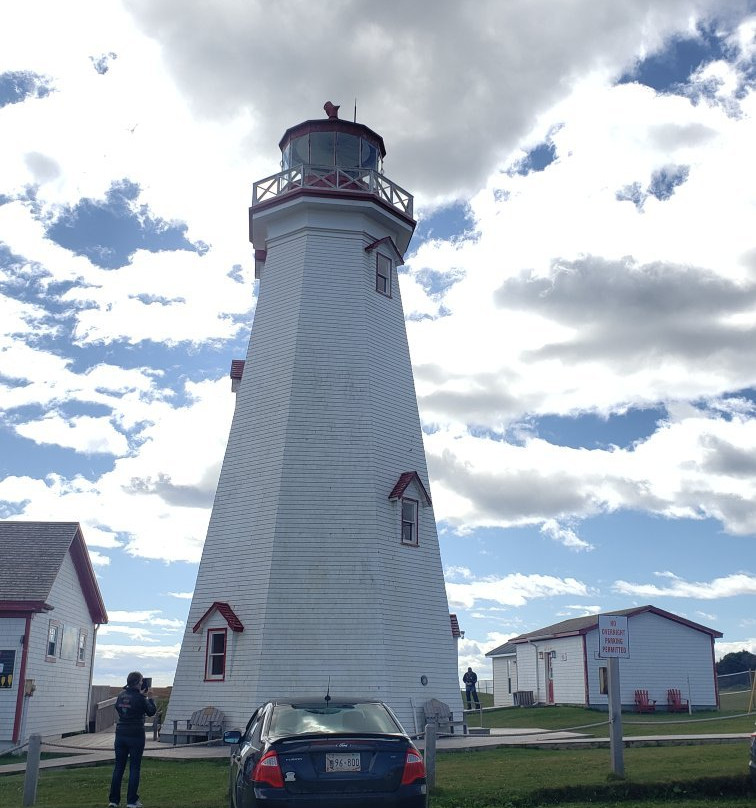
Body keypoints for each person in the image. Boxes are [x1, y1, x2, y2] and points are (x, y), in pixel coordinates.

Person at [108, 671, 156, 808]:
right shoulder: (140, 698)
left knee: (118, 767)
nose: (142, 683)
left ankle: (114, 800)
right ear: (136, 682)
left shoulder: (121, 695)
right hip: (136, 734)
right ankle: (131, 800)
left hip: (121, 733)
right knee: (134, 767)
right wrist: (150, 698)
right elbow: (151, 711)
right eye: (141, 681)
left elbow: (118, 708)